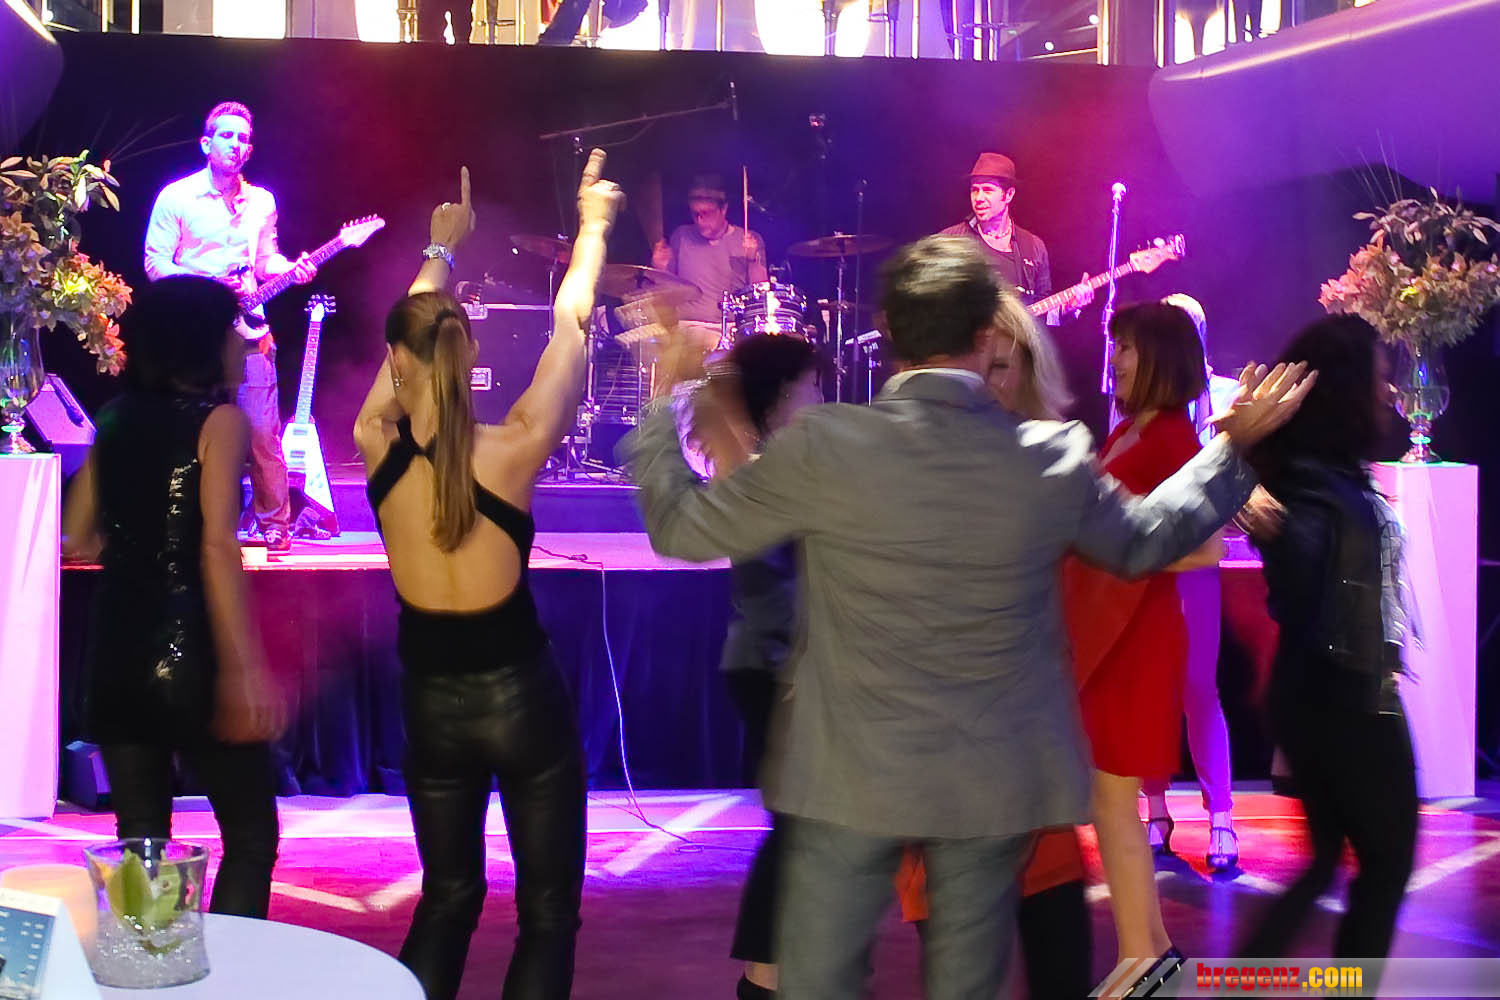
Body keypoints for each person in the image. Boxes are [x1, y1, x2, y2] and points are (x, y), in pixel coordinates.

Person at [623, 235, 1312, 1000]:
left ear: (889, 330)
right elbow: (1147, 539)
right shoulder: (1046, 454)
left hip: (850, 777)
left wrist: (661, 405)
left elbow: (681, 528)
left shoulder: (827, 445)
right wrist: (1233, 446)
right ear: (986, 337)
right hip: (994, 785)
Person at [353, 154, 621, 1000]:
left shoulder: (374, 442)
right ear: (468, 353)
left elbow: (406, 338)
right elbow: (572, 317)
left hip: (431, 705)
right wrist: (594, 227)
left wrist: (442, 249)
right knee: (547, 915)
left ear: (398, 363)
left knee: (447, 900)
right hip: (519, 699)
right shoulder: (515, 448)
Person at [63, 276, 286, 918]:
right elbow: (216, 548)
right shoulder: (222, 421)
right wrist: (244, 669)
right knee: (250, 837)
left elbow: (80, 535)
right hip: (191, 649)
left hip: (116, 646)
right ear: (200, 340)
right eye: (232, 331)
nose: (243, 343)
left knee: (141, 839)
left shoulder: (114, 417)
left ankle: (149, 962)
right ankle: (233, 967)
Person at [1238, 315, 1418, 963]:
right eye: (1379, 377)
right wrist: (1266, 516)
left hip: (1324, 692)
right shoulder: (1310, 483)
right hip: (1342, 700)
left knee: (1327, 865)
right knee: (1387, 862)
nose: (1388, 391)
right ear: (1346, 387)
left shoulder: (1326, 472)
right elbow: (1303, 570)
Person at [1062, 302, 1224, 977]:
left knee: (1113, 804)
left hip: (1137, 638)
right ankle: (1154, 955)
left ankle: (1141, 966)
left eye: (1126, 347)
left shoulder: (1176, 441)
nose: (1116, 360)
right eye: (1116, 346)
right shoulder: (1131, 430)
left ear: (1159, 356)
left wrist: (1125, 551)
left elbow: (1207, 546)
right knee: (1111, 805)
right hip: (1106, 635)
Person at [691, 335, 826, 1000]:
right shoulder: (767, 474)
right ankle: (766, 981)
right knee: (802, 828)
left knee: (805, 827)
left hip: (774, 665)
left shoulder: (781, 468)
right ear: (779, 399)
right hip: (775, 668)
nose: (822, 399)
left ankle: (778, 977)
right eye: (811, 387)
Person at [143, 101, 317, 553]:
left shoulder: (262, 202)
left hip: (249, 333)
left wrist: (291, 269)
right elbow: (156, 263)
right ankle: (178, 522)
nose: (235, 145)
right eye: (226, 136)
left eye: (243, 139)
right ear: (206, 143)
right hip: (194, 335)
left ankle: (274, 524)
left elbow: (266, 260)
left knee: (261, 432)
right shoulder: (177, 197)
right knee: (188, 432)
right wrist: (207, 285)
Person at [1143, 292, 1242, 870]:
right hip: (1151, 560)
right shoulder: (1141, 404)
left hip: (1199, 558)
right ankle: (1156, 810)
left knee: (1199, 687)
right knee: (1152, 687)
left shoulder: (1225, 396)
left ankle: (1221, 815)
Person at [938, 153, 1092, 324]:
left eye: (987, 190)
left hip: (1013, 341)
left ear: (1009, 195)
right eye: (975, 190)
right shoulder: (951, 240)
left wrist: (1070, 306)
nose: (979, 198)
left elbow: (1043, 318)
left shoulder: (1033, 247)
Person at [651, 174, 768, 352]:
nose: (699, 220)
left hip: (731, 329)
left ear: (724, 209)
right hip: (689, 327)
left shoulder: (747, 239)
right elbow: (666, 290)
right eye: (695, 214)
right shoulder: (681, 236)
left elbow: (760, 292)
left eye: (706, 213)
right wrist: (659, 268)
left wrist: (752, 260)